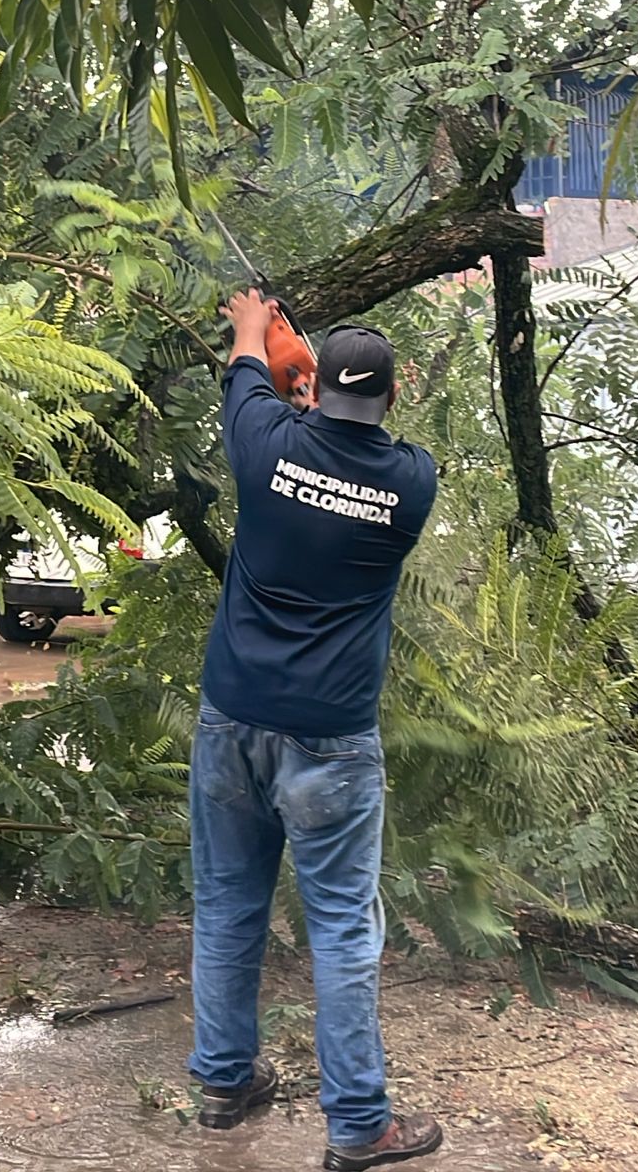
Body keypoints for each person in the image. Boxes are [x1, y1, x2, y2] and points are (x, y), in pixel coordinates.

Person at [189, 289, 442, 1171]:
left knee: (228, 905)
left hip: (233, 719)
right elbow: (342, 450)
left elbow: (245, 367)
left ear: (316, 389)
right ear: (394, 396)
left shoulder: (264, 448)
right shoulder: (412, 483)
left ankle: (224, 1083)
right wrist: (309, 392)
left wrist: (254, 326)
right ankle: (360, 1126)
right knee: (340, 928)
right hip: (331, 738)